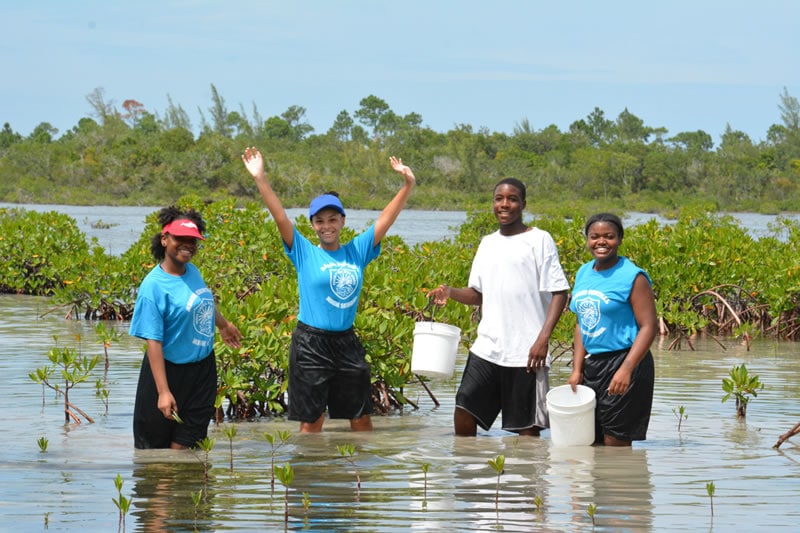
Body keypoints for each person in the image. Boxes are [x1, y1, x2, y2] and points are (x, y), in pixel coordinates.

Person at [241, 146, 416, 433]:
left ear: (342, 221)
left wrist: (407, 185)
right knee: (312, 422)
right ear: (312, 225)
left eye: (333, 220)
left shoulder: (357, 250)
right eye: (320, 221)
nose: (327, 226)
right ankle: (313, 462)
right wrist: (260, 178)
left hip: (346, 342)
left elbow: (385, 219)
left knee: (361, 417)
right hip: (311, 344)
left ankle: (359, 462)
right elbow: (280, 217)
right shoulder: (304, 251)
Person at [428, 178, 569, 437]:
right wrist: (450, 292)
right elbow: (477, 294)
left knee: (527, 431)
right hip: (487, 348)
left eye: (512, 199)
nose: (504, 204)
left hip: (527, 352)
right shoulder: (487, 243)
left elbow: (560, 292)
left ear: (523, 204)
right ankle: (467, 460)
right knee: (463, 409)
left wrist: (543, 339)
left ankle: (524, 466)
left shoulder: (540, 239)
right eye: (499, 199)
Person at [129, 206, 242, 449]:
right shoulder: (153, 287)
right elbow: (153, 342)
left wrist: (223, 325)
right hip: (167, 373)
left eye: (192, 240)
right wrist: (163, 391)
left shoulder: (192, 271)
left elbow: (201, 304)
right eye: (180, 238)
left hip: (202, 372)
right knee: (155, 455)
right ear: (164, 239)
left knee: (187, 447)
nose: (188, 245)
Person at [567, 212, 657, 446]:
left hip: (626, 360)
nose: (601, 242)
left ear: (620, 239)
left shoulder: (633, 276)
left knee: (615, 442)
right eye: (594, 236)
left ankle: (621, 472)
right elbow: (580, 323)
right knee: (590, 440)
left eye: (609, 236)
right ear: (587, 239)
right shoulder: (583, 272)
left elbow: (649, 326)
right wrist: (577, 369)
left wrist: (626, 369)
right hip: (593, 364)